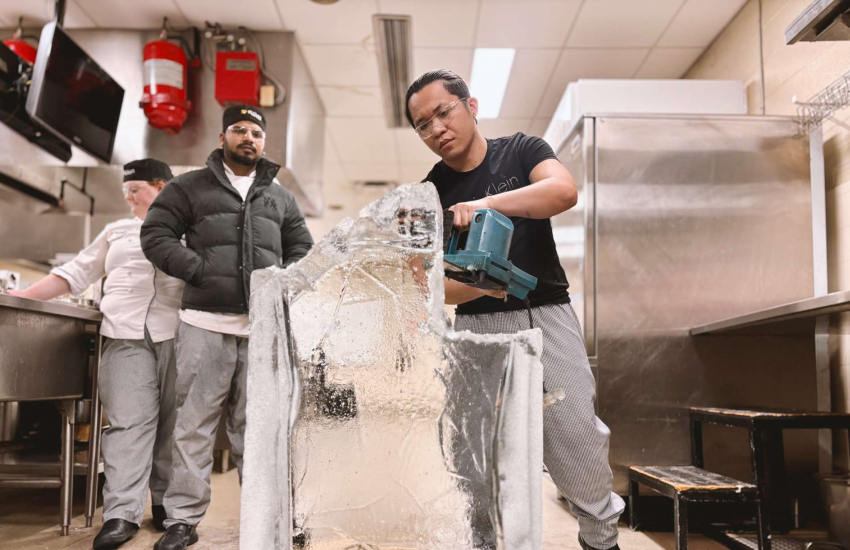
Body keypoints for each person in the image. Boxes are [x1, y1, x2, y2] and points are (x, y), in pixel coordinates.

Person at [405, 70, 625, 550]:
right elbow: (430, 286)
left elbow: (562, 192)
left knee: (575, 440)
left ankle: (601, 540)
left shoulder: (521, 150)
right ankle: (482, 542)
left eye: (444, 111)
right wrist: (486, 285)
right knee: (473, 454)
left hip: (545, 315)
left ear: (471, 105)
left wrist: (481, 205)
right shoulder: (429, 193)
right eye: (423, 125)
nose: (437, 128)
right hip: (477, 330)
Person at [141, 104, 314, 550]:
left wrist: (282, 284)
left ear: (263, 142)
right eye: (239, 130)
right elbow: (156, 234)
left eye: (256, 132)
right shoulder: (187, 187)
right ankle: (182, 519)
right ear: (222, 138)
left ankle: (269, 515)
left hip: (261, 331)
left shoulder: (279, 196)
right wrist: (197, 270)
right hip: (202, 323)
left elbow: (302, 247)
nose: (248, 138)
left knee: (256, 430)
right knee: (193, 424)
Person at [10, 159, 184, 549]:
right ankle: (122, 514)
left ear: (162, 186)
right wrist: (22, 296)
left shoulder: (190, 226)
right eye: (125, 188)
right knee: (127, 425)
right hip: (124, 336)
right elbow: (75, 273)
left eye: (136, 187)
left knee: (176, 426)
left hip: (178, 335)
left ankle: (168, 506)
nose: (127, 195)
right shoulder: (117, 231)